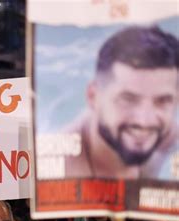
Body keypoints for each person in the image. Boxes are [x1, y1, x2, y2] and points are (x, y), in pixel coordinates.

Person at [64, 25, 179, 179]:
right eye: (128, 99)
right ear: (93, 97)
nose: (144, 121)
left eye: (162, 101)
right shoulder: (67, 172)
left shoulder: (169, 135)